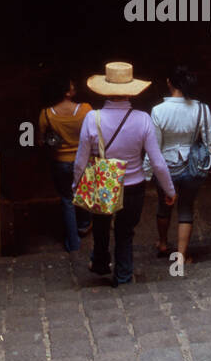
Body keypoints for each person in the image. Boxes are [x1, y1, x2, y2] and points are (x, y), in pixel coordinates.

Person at [73, 61, 175, 288]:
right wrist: (169, 190)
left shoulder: (93, 119)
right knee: (125, 232)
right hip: (134, 185)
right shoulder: (143, 119)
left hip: (102, 182)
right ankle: (123, 275)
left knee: (100, 225)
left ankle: (100, 261)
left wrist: (77, 184)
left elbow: (81, 159)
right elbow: (157, 161)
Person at [148, 66, 211, 268]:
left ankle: (163, 243)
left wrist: (147, 170)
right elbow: (209, 140)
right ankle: (181, 256)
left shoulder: (158, 111)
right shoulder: (201, 109)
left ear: (169, 83)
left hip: (166, 168)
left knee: (164, 205)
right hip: (192, 167)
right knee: (186, 208)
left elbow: (154, 145)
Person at [38, 74, 92, 253]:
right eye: (71, 85)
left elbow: (40, 141)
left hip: (60, 161)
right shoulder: (85, 110)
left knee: (67, 200)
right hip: (82, 160)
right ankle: (84, 225)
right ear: (67, 93)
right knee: (83, 194)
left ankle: (73, 243)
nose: (74, 86)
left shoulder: (46, 114)